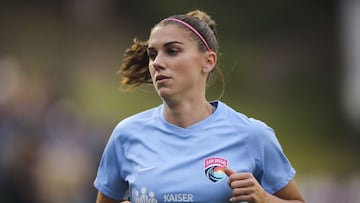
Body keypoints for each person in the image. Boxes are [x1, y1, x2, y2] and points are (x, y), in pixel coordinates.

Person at [94, 10, 306, 203]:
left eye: (172, 51)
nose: (157, 62)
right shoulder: (127, 134)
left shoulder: (252, 135)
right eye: (152, 54)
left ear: (208, 61)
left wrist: (265, 199)